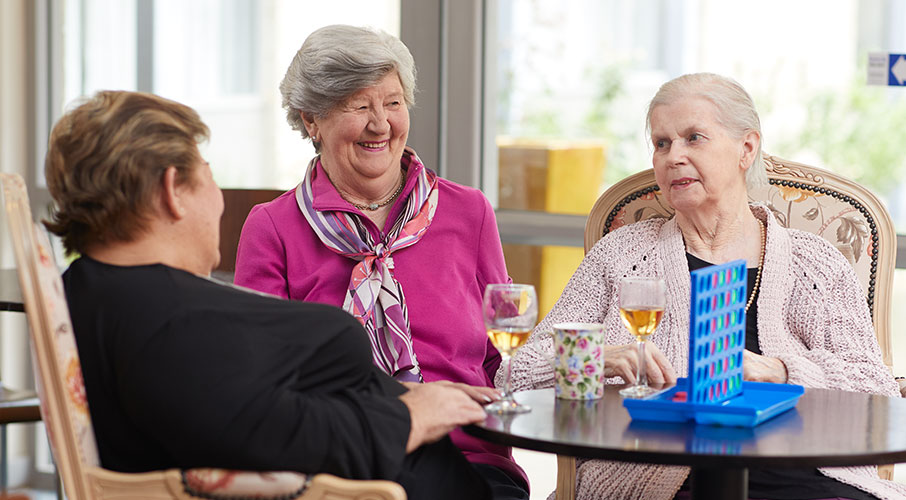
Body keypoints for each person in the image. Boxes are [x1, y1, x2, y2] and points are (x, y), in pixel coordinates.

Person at [42, 90, 493, 500]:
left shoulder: (96, 290)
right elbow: (269, 434)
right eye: (208, 176)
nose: (218, 199)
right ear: (172, 191)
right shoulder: (162, 322)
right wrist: (414, 416)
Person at [507, 73, 906, 500]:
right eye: (661, 143)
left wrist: (781, 370)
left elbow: (875, 391)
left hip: (805, 476)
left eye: (693, 138)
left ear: (746, 148)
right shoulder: (621, 254)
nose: (672, 156)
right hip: (658, 477)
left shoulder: (816, 264)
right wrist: (598, 358)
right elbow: (515, 374)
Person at [233, 25, 528, 499]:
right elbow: (262, 379)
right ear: (311, 120)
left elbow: (505, 352)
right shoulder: (272, 227)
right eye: (358, 105)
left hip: (469, 458)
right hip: (341, 462)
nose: (381, 124)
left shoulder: (468, 211)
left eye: (392, 102)